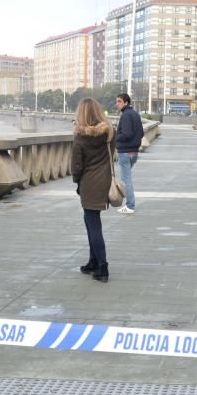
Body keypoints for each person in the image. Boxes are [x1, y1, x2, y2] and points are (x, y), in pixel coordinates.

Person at [71, 98, 114, 283]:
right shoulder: (109, 133)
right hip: (104, 180)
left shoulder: (80, 137)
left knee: (93, 224)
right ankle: (93, 261)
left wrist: (76, 180)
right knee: (90, 220)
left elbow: (76, 165)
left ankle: (102, 267)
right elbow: (112, 154)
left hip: (88, 183)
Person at [114, 93, 142, 214]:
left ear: (126, 103)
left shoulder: (126, 115)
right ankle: (129, 204)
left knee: (126, 180)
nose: (117, 104)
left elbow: (126, 134)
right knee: (127, 178)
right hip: (134, 151)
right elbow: (141, 133)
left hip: (125, 151)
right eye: (117, 101)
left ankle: (130, 205)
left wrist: (115, 137)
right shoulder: (135, 114)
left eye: (119, 101)